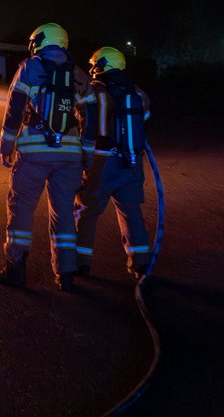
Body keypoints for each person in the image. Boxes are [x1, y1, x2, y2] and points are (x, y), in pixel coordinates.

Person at [0, 23, 97, 292]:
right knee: (64, 214)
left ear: (40, 42)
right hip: (70, 156)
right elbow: (90, 120)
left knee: (21, 209)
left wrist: (6, 145)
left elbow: (14, 108)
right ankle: (66, 274)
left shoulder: (29, 68)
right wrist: (87, 155)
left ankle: (15, 270)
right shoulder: (79, 74)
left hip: (34, 154)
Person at [74, 46, 152, 281]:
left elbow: (83, 121)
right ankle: (141, 263)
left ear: (100, 66)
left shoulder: (94, 91)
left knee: (86, 212)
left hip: (101, 162)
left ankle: (80, 263)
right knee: (131, 212)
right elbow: (144, 117)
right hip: (131, 161)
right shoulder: (137, 92)